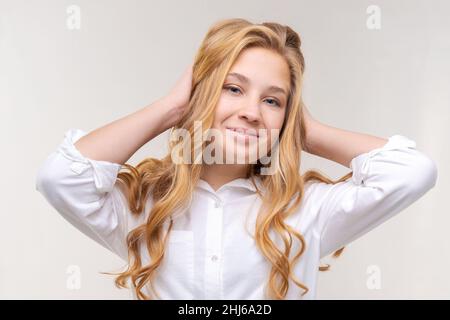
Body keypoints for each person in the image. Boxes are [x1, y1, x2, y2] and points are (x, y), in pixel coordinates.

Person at [35, 18, 438, 300]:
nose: (251, 111)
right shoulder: (144, 208)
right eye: (233, 89)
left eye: (272, 100)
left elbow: (412, 172)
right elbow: (60, 178)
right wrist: (171, 109)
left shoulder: (305, 211)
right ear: (200, 94)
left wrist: (303, 130)